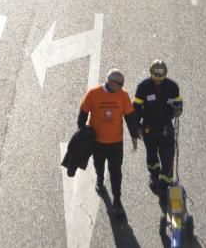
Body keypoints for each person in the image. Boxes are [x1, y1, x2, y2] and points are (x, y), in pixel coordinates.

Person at [78, 68, 138, 220]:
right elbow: (83, 112)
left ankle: (117, 200)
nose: (123, 86)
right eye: (120, 83)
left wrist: (134, 136)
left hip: (116, 143)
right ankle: (99, 177)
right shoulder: (93, 94)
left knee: (116, 171)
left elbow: (130, 116)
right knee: (99, 164)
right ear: (110, 82)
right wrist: (82, 130)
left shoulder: (123, 95)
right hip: (97, 141)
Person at [132, 60, 183, 212]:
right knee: (151, 154)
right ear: (151, 73)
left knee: (168, 155)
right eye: (156, 75)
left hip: (166, 127)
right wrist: (138, 127)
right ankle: (154, 176)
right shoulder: (143, 87)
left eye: (161, 76)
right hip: (148, 128)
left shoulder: (173, 87)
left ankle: (165, 183)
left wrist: (178, 109)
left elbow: (178, 103)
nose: (158, 79)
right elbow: (135, 109)